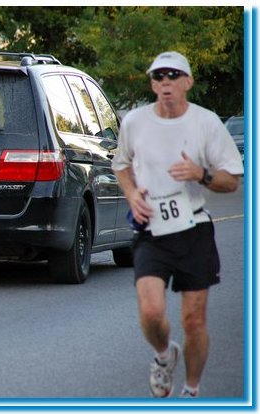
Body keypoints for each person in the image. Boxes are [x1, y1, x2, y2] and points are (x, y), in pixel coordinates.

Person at [111, 51, 243, 398]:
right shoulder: (135, 122)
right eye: (159, 76)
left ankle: (191, 390)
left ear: (188, 82)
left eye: (173, 75)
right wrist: (132, 194)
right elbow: (121, 165)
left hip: (194, 228)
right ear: (153, 84)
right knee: (151, 312)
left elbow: (232, 180)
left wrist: (201, 174)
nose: (166, 82)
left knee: (193, 320)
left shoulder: (206, 122)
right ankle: (163, 354)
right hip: (151, 230)